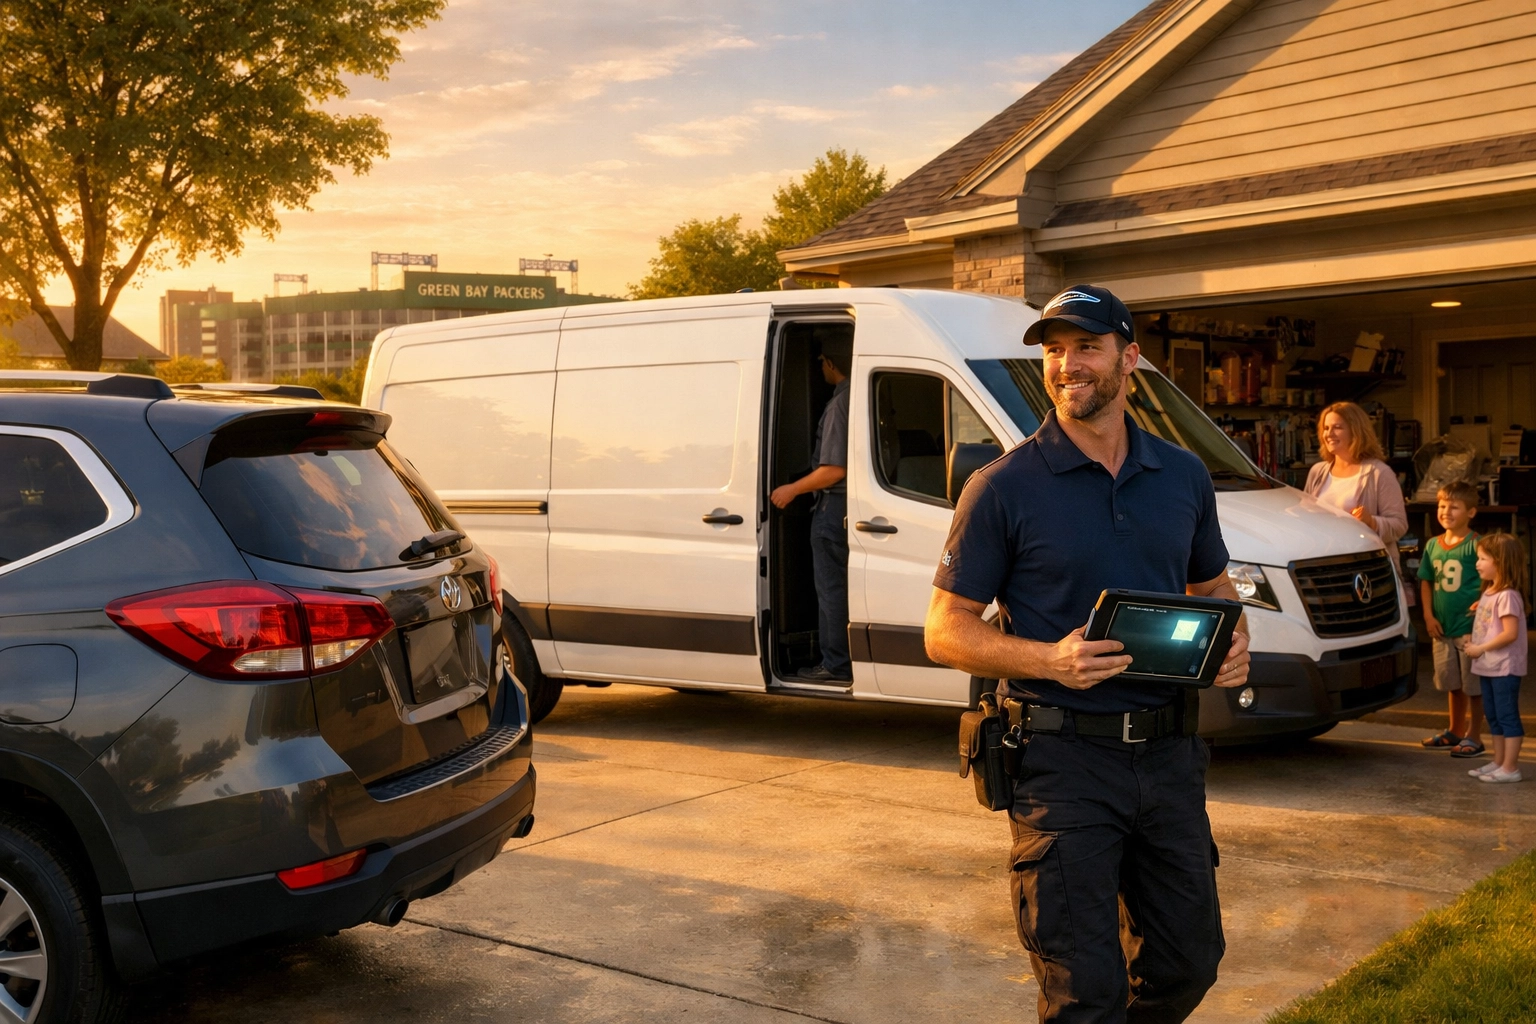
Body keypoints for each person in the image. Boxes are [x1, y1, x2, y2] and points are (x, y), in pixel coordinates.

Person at [924, 284, 1251, 1024]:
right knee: (1084, 993)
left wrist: (1233, 641)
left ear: (1129, 359)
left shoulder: (1182, 474)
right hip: (1061, 763)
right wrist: (1051, 660)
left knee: (1188, 963)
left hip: (1169, 759)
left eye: (1086, 347)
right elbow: (944, 631)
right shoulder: (1003, 487)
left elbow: (1213, 587)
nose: (1067, 364)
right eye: (1054, 350)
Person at [770, 340, 853, 682]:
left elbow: (833, 470)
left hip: (832, 510)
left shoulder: (839, 404)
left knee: (832, 591)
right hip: (846, 509)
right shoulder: (856, 396)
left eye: (822, 361)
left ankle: (835, 664)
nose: (820, 367)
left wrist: (791, 489)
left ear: (831, 364)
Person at [1418, 481, 1484, 758]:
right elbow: (1426, 580)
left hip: (1469, 629)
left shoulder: (1477, 544)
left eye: (1454, 507)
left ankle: (1474, 736)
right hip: (1442, 628)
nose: (1446, 512)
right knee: (1452, 683)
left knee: (1474, 685)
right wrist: (1428, 615)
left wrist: (1484, 603)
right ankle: (1455, 730)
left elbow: (1490, 578)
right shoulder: (1433, 545)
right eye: (1442, 506)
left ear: (1471, 512)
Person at [1464, 532, 1529, 784]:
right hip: (1489, 667)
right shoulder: (1491, 592)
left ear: (1500, 562)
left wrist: (1480, 648)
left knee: (1506, 715)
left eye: (1483, 558)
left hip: (1504, 667)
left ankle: (1511, 768)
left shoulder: (1508, 595)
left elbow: (1510, 633)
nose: (1477, 563)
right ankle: (1499, 762)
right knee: (1493, 715)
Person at [1303, 401, 1407, 546]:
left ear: (1356, 431)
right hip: (1323, 556)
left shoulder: (1379, 473)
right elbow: (1305, 517)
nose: (1329, 434)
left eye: (1337, 427)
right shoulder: (1317, 472)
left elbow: (1399, 526)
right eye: (1326, 428)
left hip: (1362, 558)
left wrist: (1372, 522)